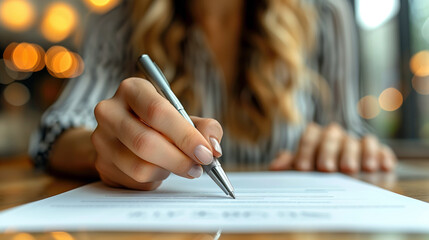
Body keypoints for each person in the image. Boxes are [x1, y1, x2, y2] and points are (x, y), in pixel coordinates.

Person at [30, 0, 396, 190]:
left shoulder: (325, 16)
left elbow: (347, 128)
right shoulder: (118, 23)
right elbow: (55, 134)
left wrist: (347, 147)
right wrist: (107, 147)